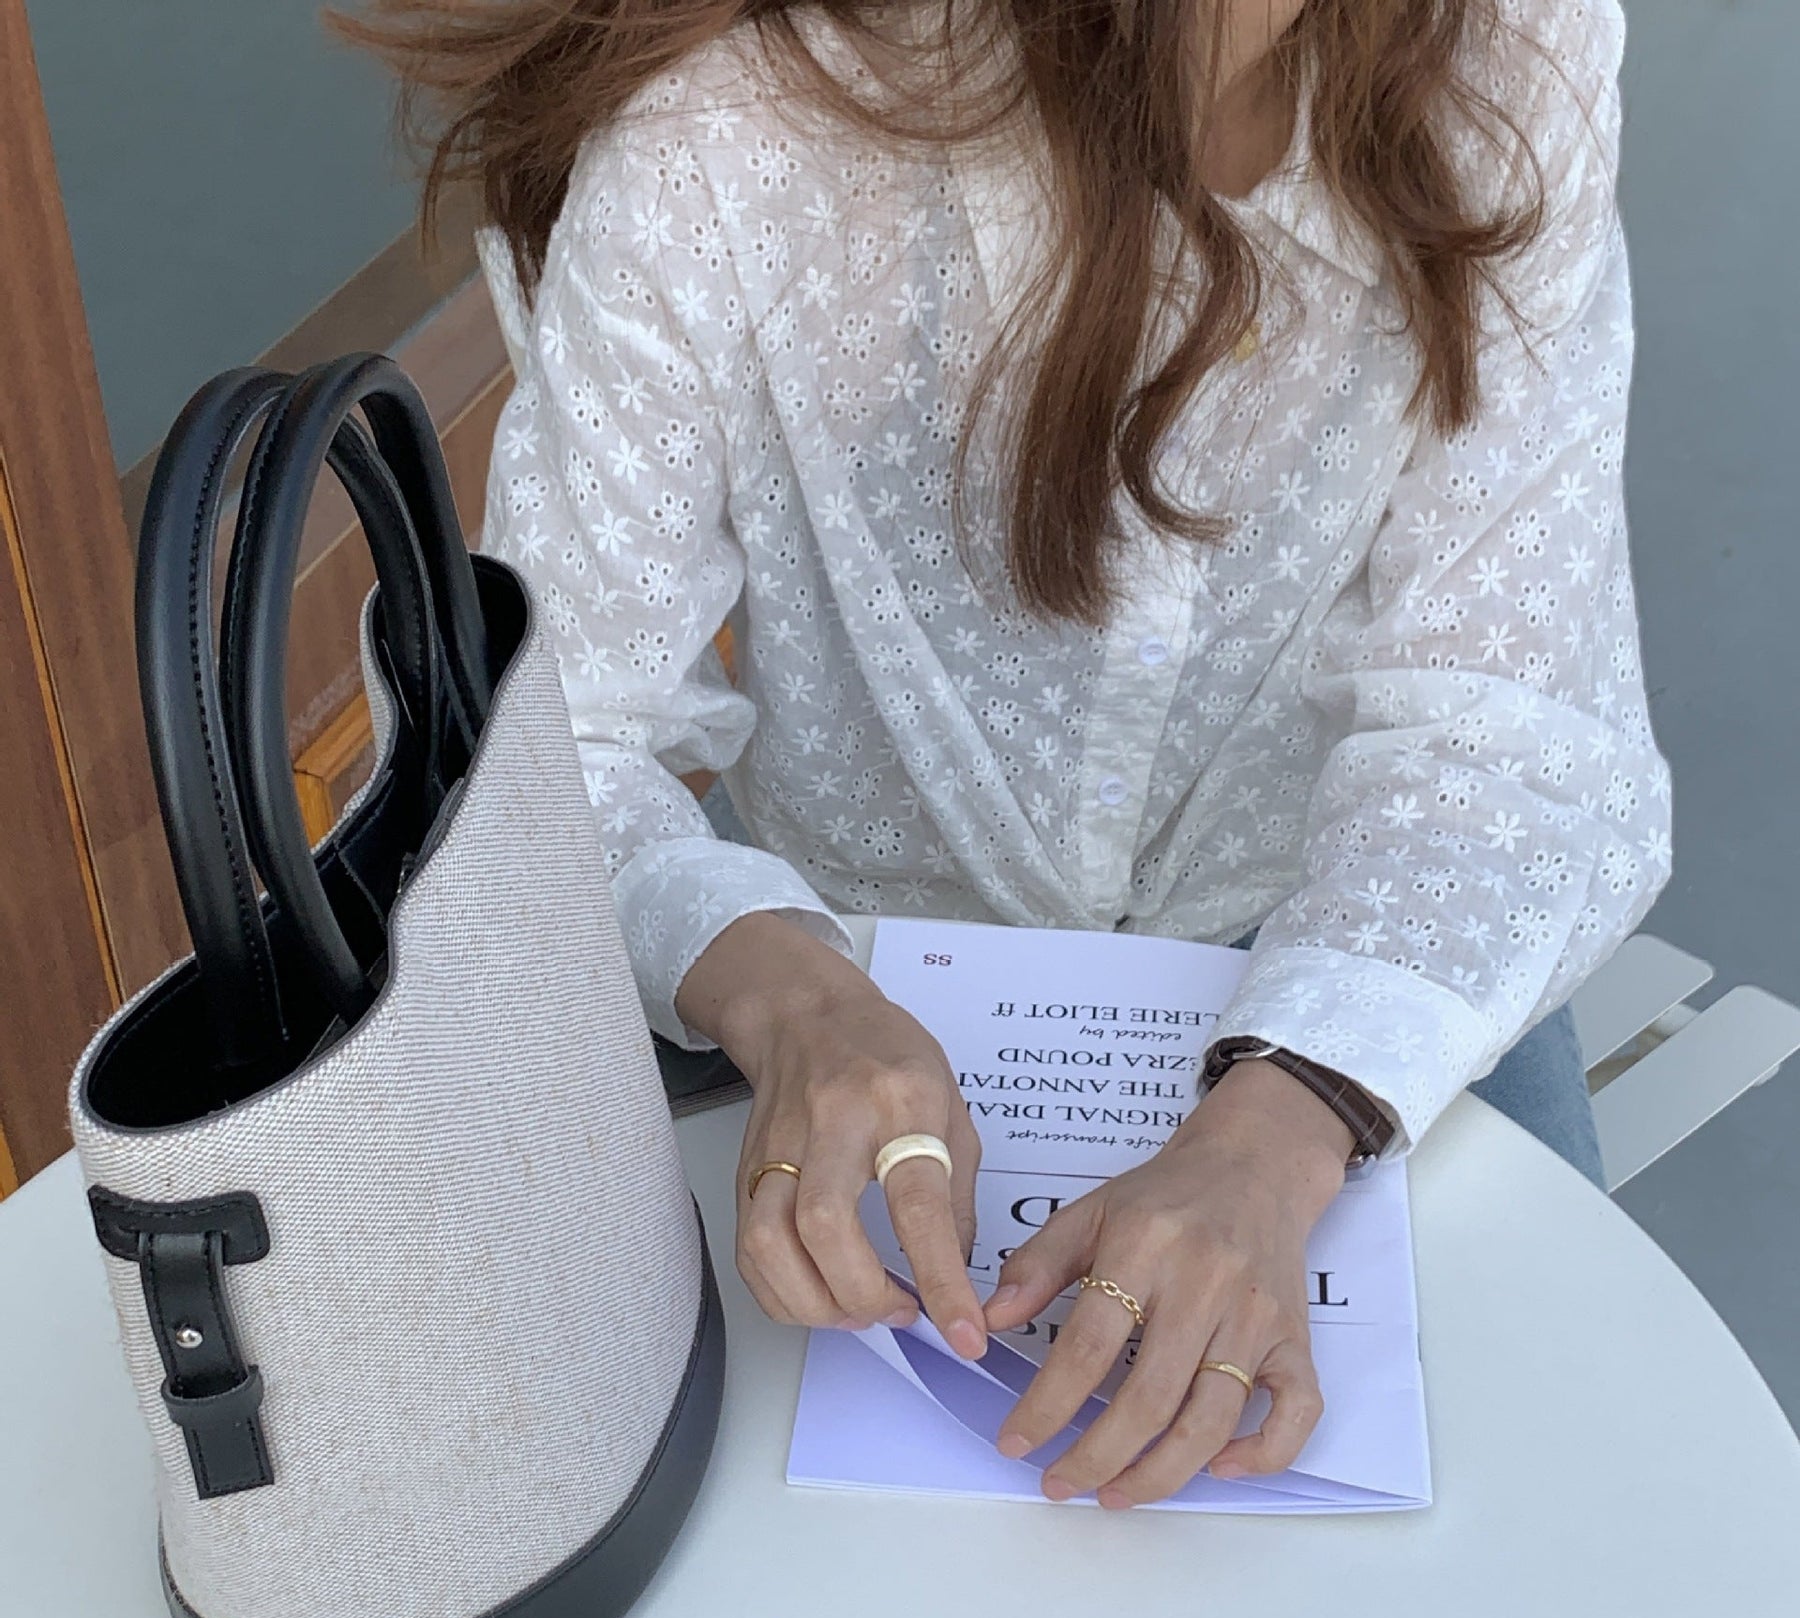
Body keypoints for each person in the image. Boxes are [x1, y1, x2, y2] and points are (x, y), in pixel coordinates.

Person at [352, 0, 1670, 1507]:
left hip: (1371, 925)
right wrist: (789, 992)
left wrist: (1281, 1129)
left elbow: (1507, 710)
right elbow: (544, 742)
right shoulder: (725, 133)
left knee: (1566, 1499)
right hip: (840, 954)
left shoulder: (1511, 51)